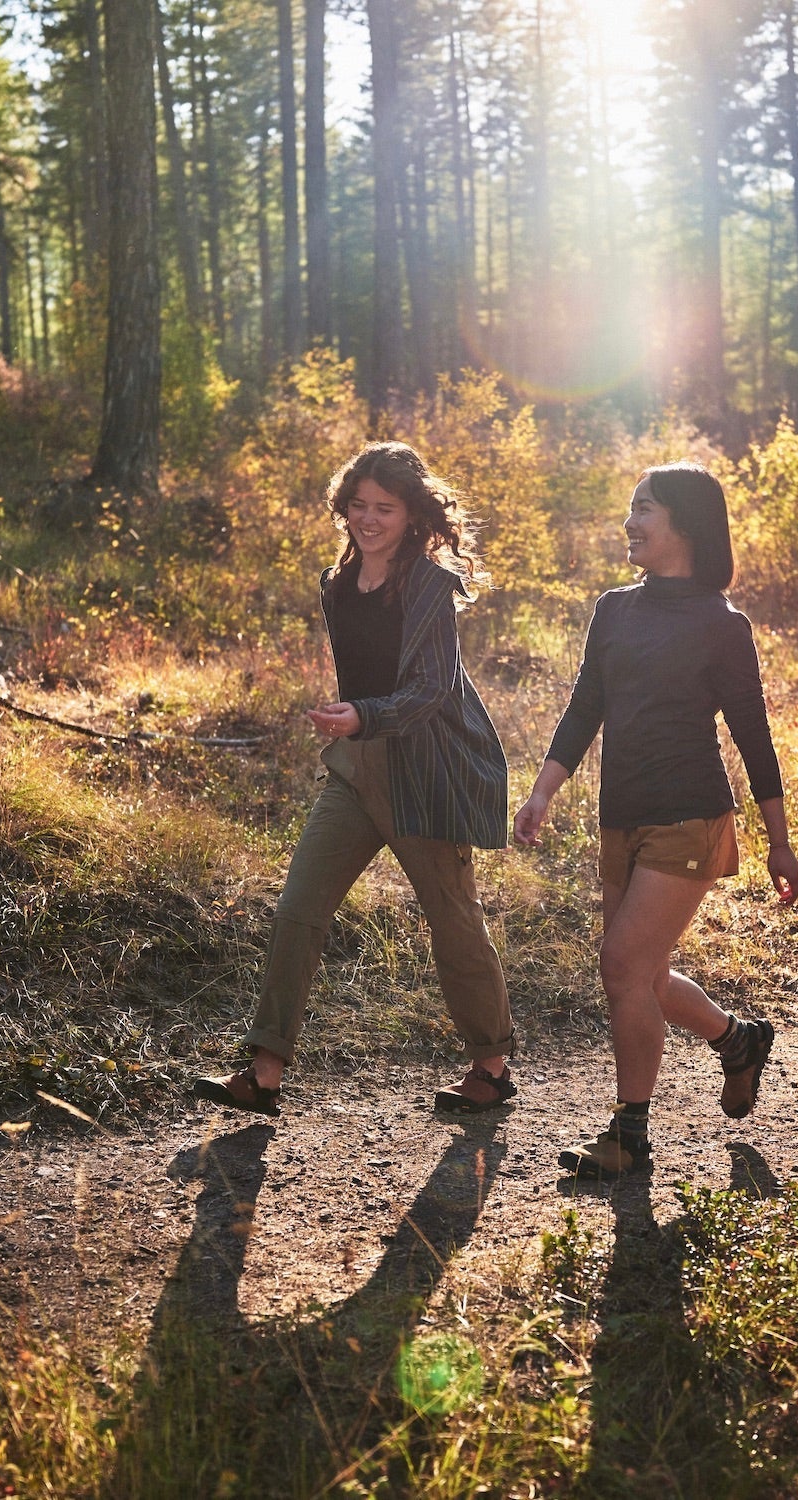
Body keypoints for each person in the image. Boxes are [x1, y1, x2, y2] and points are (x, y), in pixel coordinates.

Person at [195, 442, 516, 1117]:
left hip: (426, 772)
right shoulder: (335, 583)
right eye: (359, 506)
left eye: (385, 509)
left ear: (411, 516)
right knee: (298, 908)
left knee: (452, 922)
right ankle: (264, 1071)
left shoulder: (430, 585)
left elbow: (431, 690)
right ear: (343, 507)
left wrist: (362, 715)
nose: (368, 520)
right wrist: (355, 722)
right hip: (356, 769)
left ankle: (491, 1067)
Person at [513, 461, 798, 1179]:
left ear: (685, 524)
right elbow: (587, 707)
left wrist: (780, 843)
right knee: (644, 976)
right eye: (629, 509)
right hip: (624, 816)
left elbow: (753, 735)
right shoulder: (615, 609)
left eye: (644, 509)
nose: (630, 522)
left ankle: (629, 1138)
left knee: (621, 965)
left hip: (690, 816)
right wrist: (544, 791)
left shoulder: (721, 625)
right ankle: (737, 1040)